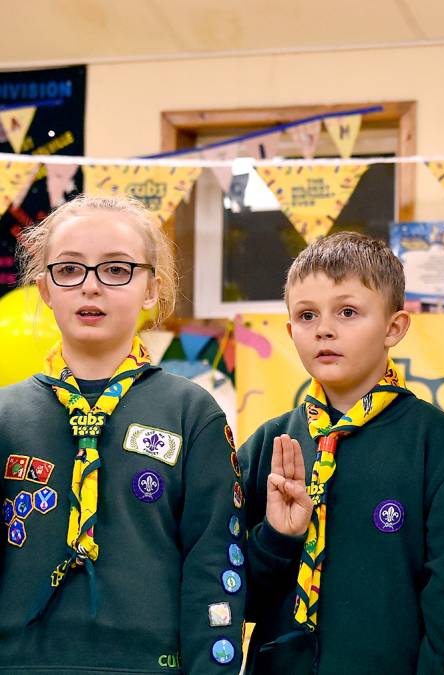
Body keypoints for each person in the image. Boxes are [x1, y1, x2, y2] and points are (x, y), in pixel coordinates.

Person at [0, 195, 245, 672]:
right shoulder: (6, 414)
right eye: (69, 269)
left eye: (116, 269)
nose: (90, 287)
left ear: (152, 288)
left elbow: (214, 564)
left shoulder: (191, 413)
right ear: (44, 288)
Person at [238, 232, 444, 674]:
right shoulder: (269, 446)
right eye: (306, 315)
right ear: (290, 331)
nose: (324, 328)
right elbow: (231, 596)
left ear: (394, 328)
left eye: (348, 312)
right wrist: (277, 541)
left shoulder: (440, 447)